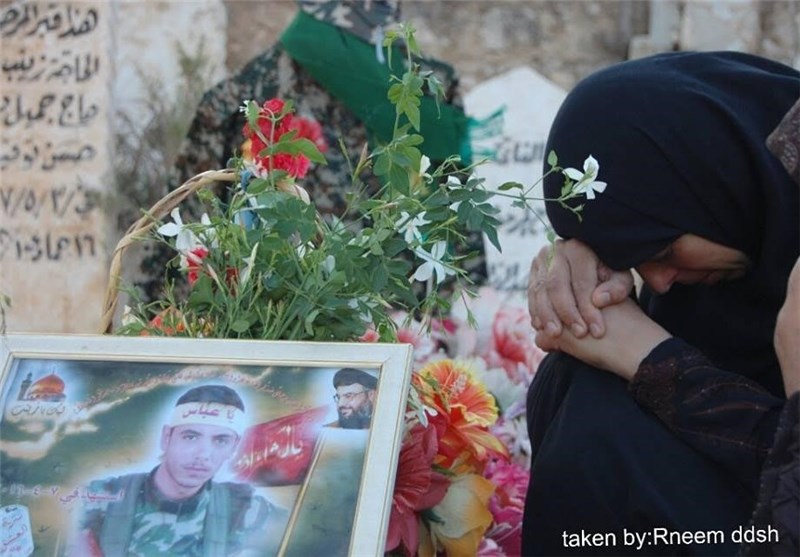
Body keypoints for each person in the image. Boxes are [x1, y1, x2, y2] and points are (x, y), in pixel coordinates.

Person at [519, 51, 799, 556]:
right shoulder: (717, 278)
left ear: (722, 180)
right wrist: (586, 268)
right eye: (633, 261)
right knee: (584, 386)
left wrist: (655, 361)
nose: (662, 284)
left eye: (665, 252)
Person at [137, 0, 482, 300]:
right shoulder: (244, 99)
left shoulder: (429, 91)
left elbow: (459, 227)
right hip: (282, 332)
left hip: (404, 335)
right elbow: (183, 247)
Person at [77, 385, 288, 557]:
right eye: (191, 437)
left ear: (233, 447)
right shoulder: (101, 497)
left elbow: (301, 536)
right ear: (166, 437)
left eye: (221, 441)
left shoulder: (246, 508)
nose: (204, 454)